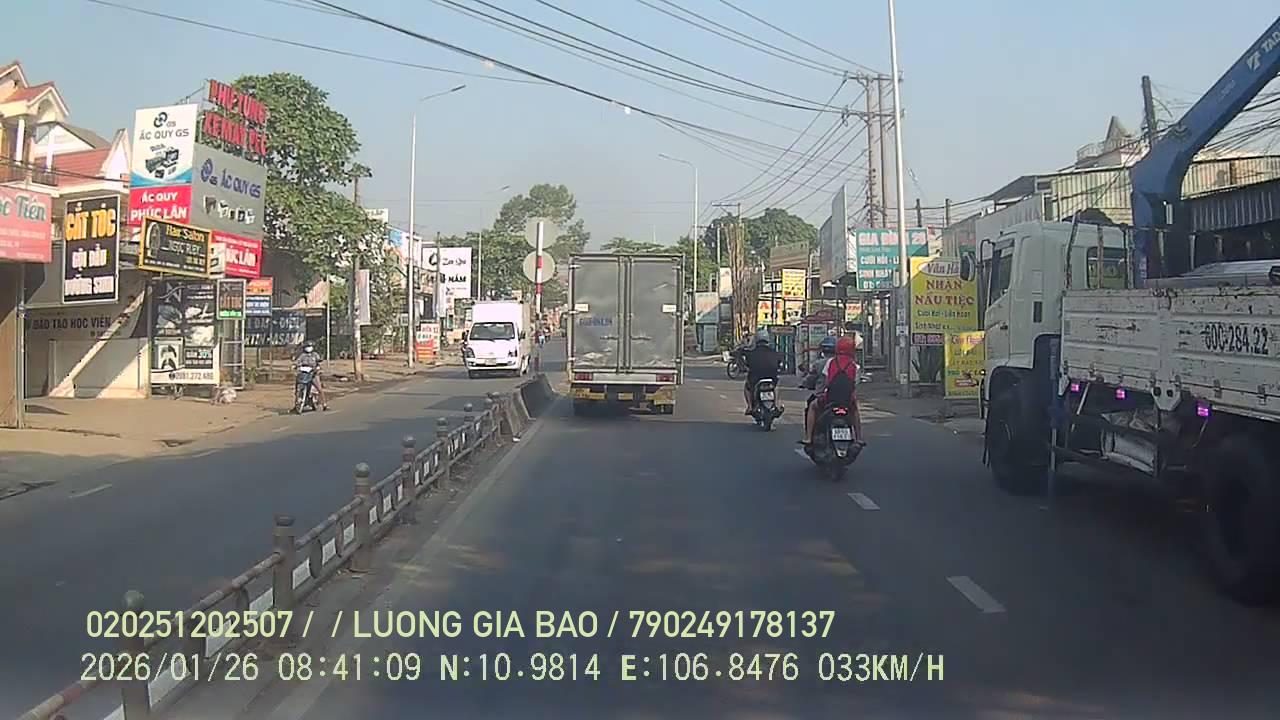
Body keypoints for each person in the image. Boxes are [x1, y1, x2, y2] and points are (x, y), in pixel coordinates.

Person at [802, 334, 864, 445]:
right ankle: (858, 438)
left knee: (812, 406)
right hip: (848, 400)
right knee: (855, 411)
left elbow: (827, 382)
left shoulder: (831, 363)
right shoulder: (855, 366)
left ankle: (808, 437)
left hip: (829, 399)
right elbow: (855, 383)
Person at [742, 330, 782, 414]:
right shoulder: (774, 352)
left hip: (756, 377)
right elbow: (779, 363)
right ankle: (776, 405)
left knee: (747, 387)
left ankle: (750, 407)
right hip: (771, 377)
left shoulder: (752, 352)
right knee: (775, 387)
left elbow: (747, 363)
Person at [294, 341, 329, 411]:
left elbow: (319, 361)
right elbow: (297, 362)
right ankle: (297, 404)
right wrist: (295, 366)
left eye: (310, 346)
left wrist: (317, 367)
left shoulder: (315, 355)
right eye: (307, 346)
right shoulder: (302, 355)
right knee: (298, 388)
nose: (308, 348)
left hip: (313, 374)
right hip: (304, 374)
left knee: (319, 389)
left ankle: (324, 404)